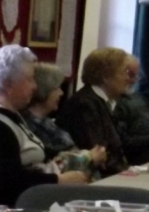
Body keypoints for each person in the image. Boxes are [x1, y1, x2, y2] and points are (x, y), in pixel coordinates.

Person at [0, 46, 87, 207]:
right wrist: (60, 180)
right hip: (10, 210)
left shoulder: (9, 113)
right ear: (8, 85)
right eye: (29, 79)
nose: (34, 86)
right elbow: (13, 183)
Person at [22, 62, 107, 179]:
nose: (61, 93)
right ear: (44, 90)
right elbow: (50, 165)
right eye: (56, 88)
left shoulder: (48, 123)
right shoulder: (29, 127)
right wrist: (89, 158)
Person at [55, 47, 131, 176]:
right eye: (124, 72)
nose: (128, 78)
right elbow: (99, 154)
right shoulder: (84, 104)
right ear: (106, 77)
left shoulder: (102, 101)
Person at [111, 56, 149, 165]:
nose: (132, 80)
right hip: (141, 156)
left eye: (135, 76)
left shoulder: (137, 96)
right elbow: (125, 143)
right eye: (129, 74)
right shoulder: (114, 103)